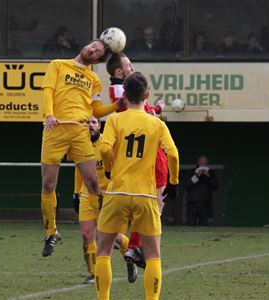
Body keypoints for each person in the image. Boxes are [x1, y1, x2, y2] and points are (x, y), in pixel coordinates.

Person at [95, 71, 180, 300]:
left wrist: (110, 168)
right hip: (146, 195)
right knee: (153, 255)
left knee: (103, 251)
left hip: (117, 192)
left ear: (125, 94)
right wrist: (173, 182)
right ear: (147, 94)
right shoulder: (156, 123)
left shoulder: (115, 119)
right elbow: (173, 154)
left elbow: (103, 149)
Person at [40, 39, 122, 258]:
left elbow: (96, 109)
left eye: (97, 52)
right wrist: (49, 114)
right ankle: (51, 232)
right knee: (48, 184)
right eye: (93, 46)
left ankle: (108, 228)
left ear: (96, 60)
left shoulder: (94, 79)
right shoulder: (58, 64)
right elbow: (48, 90)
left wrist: (116, 105)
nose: (93, 50)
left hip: (79, 132)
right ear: (87, 46)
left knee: (93, 183)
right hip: (55, 128)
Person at [106, 52, 168, 283]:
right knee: (155, 206)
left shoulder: (120, 93)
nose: (132, 67)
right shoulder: (121, 92)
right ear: (119, 72)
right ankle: (134, 246)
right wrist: (157, 110)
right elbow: (141, 110)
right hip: (144, 155)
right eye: (128, 65)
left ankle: (132, 246)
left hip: (126, 160)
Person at [72, 116, 133, 284]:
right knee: (86, 235)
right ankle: (93, 274)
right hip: (86, 195)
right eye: (86, 122)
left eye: (93, 122)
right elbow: (79, 169)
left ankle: (131, 255)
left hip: (106, 196)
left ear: (99, 126)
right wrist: (75, 193)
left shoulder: (108, 144)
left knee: (114, 237)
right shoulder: (79, 144)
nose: (90, 126)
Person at [184, 155, 219, 226]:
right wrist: (197, 176)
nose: (203, 165)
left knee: (204, 226)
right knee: (191, 225)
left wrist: (209, 177)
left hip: (205, 205)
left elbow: (215, 186)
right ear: (198, 163)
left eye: (205, 164)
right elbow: (187, 185)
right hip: (192, 204)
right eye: (202, 163)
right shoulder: (191, 172)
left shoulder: (210, 173)